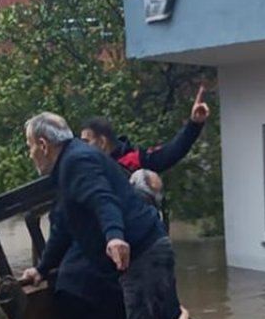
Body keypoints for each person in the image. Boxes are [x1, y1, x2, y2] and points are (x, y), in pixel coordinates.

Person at [19, 113, 182, 319]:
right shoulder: (68, 168)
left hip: (143, 252)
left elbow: (102, 200)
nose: (29, 154)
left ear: (43, 144)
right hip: (142, 251)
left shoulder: (77, 162)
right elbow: (64, 226)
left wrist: (114, 236)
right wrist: (42, 268)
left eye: (29, 146)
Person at [130, 169, 218, 319]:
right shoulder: (148, 218)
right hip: (158, 312)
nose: (158, 196)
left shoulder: (138, 214)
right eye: (155, 191)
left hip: (155, 310)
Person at [80, 85, 211, 221]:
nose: (82, 148)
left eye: (86, 142)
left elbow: (172, 152)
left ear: (102, 142)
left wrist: (194, 124)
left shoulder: (133, 161)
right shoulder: (86, 173)